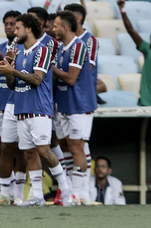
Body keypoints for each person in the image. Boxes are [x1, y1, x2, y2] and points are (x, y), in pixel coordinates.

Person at [0, 14, 73, 206]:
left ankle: (67, 190)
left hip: (39, 109)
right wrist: (8, 68)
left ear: (29, 29)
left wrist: (12, 71)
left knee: (44, 151)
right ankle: (37, 195)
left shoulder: (42, 51)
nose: (15, 31)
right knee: (29, 153)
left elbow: (37, 79)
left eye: (18, 28)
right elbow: (13, 86)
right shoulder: (18, 52)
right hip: (21, 109)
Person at [52, 11, 96, 204]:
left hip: (80, 104)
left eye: (55, 26)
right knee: (66, 146)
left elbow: (71, 78)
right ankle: (73, 190)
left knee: (77, 146)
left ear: (65, 27)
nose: (53, 29)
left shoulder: (78, 46)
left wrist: (49, 67)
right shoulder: (61, 47)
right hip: (64, 104)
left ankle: (80, 192)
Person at [0, 10, 26, 206]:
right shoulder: (0, 47)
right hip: (0, 104)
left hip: (16, 103)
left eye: (13, 24)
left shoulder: (24, 48)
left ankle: (17, 193)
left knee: (19, 149)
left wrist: (4, 59)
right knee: (0, 147)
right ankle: (5, 192)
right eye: (6, 24)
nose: (9, 27)